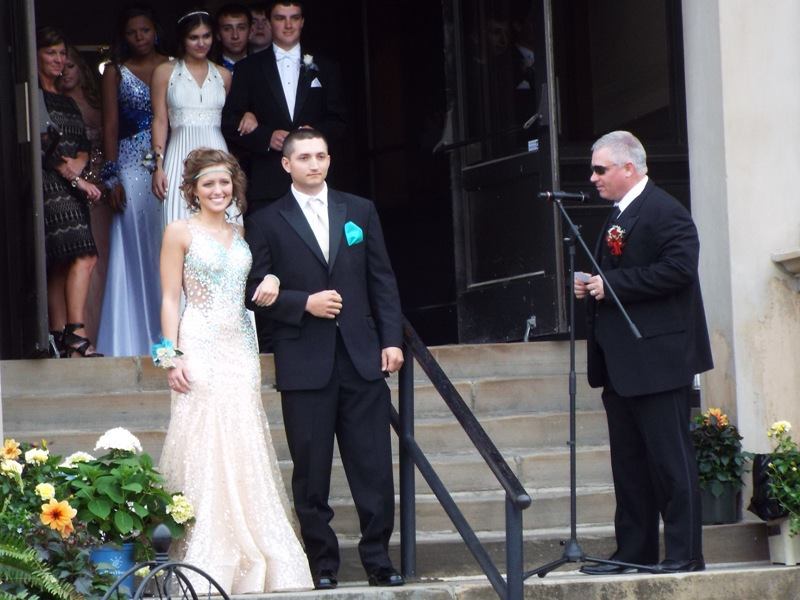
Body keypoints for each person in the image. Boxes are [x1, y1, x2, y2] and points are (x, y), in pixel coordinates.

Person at [244, 128, 405, 589]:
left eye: (320, 156)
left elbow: (381, 279)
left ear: (330, 160)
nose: (314, 164)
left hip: (361, 356)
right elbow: (253, 290)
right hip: (304, 360)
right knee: (311, 472)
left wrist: (391, 339)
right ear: (286, 164)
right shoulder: (266, 220)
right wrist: (303, 303)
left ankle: (378, 559)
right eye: (304, 157)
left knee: (373, 465)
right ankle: (323, 564)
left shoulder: (359, 210)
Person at [157, 148, 313, 594]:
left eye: (224, 183)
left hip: (242, 346)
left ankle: (258, 551)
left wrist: (274, 280)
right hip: (199, 342)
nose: (218, 190)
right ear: (193, 190)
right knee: (204, 436)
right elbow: (169, 297)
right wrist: (169, 356)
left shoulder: (244, 232)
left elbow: (258, 279)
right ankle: (209, 550)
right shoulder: (179, 232)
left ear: (234, 186)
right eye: (208, 184)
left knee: (245, 435)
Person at [574, 131, 713, 574]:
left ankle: (684, 553)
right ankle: (634, 551)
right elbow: (622, 269)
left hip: (659, 358)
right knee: (629, 465)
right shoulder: (621, 212)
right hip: (622, 362)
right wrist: (592, 285)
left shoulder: (666, 211)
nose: (593, 178)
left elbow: (679, 270)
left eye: (600, 169)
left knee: (670, 461)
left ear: (628, 168)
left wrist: (611, 284)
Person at [221, 0, 347, 212]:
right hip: (267, 181)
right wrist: (267, 136)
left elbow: (339, 121)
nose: (288, 25)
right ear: (269, 22)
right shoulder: (248, 68)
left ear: (302, 22)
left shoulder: (326, 67)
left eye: (294, 18)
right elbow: (229, 122)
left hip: (316, 180)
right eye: (280, 18)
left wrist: (314, 134)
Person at [96, 4, 168, 356]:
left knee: (166, 245)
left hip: (166, 161)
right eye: (132, 32)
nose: (139, 37)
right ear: (123, 37)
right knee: (135, 247)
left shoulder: (172, 65)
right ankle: (133, 340)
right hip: (129, 165)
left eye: (145, 30)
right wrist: (111, 177)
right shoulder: (115, 71)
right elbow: (109, 125)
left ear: (156, 31)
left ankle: (169, 336)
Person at [151, 10, 256, 228]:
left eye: (206, 36)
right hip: (178, 156)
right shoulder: (164, 72)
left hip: (217, 151)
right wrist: (157, 166)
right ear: (182, 39)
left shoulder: (224, 75)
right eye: (194, 37)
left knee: (225, 221)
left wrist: (250, 113)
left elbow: (232, 117)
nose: (201, 43)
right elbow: (160, 121)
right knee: (179, 221)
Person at [37, 27, 103, 358]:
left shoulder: (67, 101)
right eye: (51, 52)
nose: (59, 59)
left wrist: (80, 164)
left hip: (71, 184)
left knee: (63, 263)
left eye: (62, 53)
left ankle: (57, 336)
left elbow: (83, 145)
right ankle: (77, 334)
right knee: (84, 255)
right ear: (36, 55)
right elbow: (44, 148)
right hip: (48, 186)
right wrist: (77, 180)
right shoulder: (34, 96)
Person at [55, 45, 111, 347]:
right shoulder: (55, 104)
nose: (65, 71)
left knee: (103, 258)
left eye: (71, 66)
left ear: (82, 69)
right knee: (82, 259)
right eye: (61, 66)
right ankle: (81, 331)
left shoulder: (97, 101)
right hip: (72, 187)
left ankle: (108, 330)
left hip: (101, 186)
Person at [213, 4, 252, 72]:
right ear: (218, 34)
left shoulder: (263, 66)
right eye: (227, 29)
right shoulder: (208, 69)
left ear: (251, 32)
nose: (235, 36)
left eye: (241, 28)